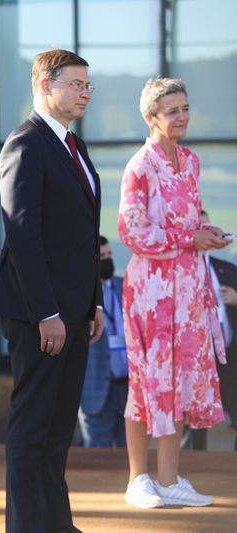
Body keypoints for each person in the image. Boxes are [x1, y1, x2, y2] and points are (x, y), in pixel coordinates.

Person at [0, 49, 104, 533]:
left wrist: (94, 301)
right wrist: (46, 312)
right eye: (76, 84)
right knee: (33, 427)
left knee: (59, 430)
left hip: (75, 311)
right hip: (40, 314)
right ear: (46, 85)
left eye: (88, 85)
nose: (84, 92)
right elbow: (23, 236)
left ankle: (56, 523)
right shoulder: (25, 144)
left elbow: (83, 238)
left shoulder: (73, 147)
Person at [118, 77, 231, 509]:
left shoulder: (191, 161)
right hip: (151, 289)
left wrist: (207, 233)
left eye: (185, 108)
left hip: (188, 286)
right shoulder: (139, 166)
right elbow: (132, 232)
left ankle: (169, 479)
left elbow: (185, 223)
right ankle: (137, 479)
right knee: (148, 380)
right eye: (172, 111)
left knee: (180, 379)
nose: (182, 116)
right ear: (151, 118)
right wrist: (190, 238)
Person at [78, 235, 129, 448]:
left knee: (132, 461)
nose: (107, 260)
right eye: (102, 257)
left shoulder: (125, 286)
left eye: (109, 255)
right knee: (97, 458)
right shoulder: (79, 293)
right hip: (96, 387)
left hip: (128, 386)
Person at [201, 211, 237, 451]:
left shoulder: (227, 269)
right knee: (192, 426)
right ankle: (183, 475)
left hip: (230, 357)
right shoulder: (174, 271)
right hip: (196, 360)